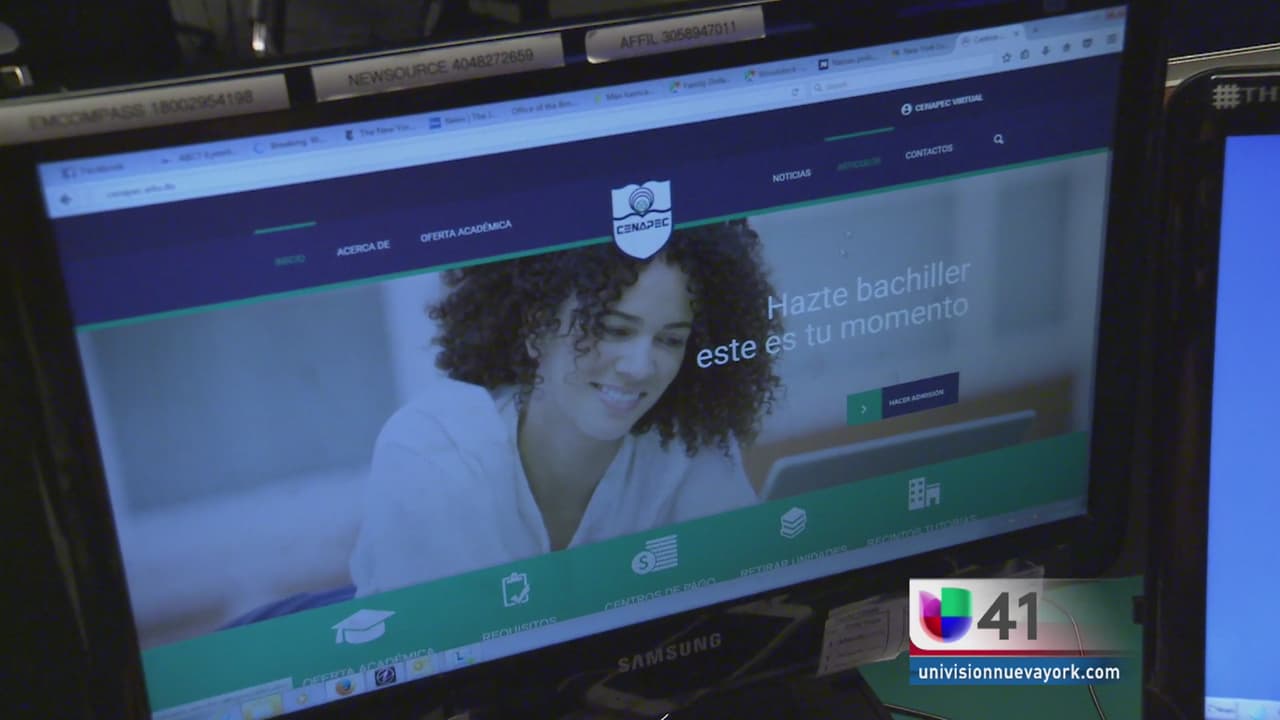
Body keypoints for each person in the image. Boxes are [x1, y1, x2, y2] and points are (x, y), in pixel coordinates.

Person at [349, 220, 782, 596]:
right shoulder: (433, 448)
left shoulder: (690, 448)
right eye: (613, 329)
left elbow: (744, 593)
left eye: (670, 340)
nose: (640, 367)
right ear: (537, 329)